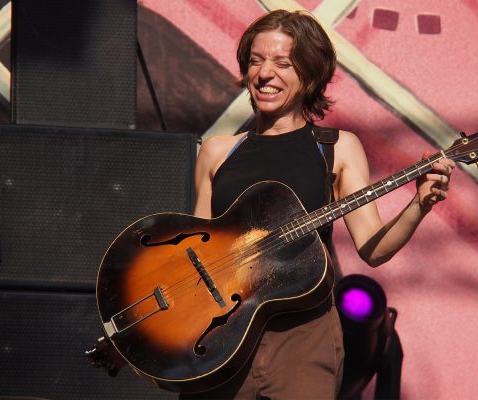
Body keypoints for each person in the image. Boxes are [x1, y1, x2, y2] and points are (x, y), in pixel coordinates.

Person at [185, 9, 455, 400]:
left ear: (310, 75)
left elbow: (374, 249)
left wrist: (419, 204)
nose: (264, 74)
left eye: (283, 63)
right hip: (221, 337)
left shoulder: (336, 147)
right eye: (256, 61)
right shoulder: (216, 151)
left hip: (304, 337)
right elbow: (195, 253)